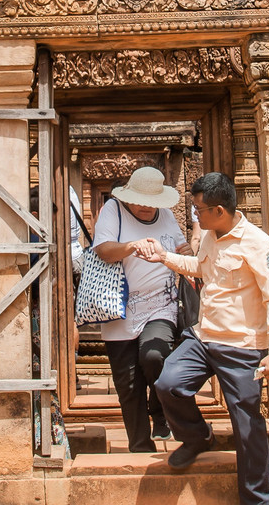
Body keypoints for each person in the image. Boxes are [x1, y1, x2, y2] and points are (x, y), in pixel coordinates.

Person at [139, 172, 269, 505]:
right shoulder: (209, 234)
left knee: (248, 429)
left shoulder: (257, 244)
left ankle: (257, 500)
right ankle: (196, 437)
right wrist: (163, 257)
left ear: (219, 210)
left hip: (242, 347)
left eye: (199, 209)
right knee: (168, 384)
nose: (195, 215)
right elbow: (201, 269)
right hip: (203, 338)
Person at [93, 166, 189, 452]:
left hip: (161, 303)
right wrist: (132, 246)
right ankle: (139, 445)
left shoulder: (167, 215)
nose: (147, 207)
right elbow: (103, 250)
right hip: (119, 307)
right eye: (141, 200)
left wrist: (192, 251)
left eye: (152, 202)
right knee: (129, 385)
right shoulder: (114, 210)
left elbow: (181, 247)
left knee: (155, 355)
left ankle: (159, 412)